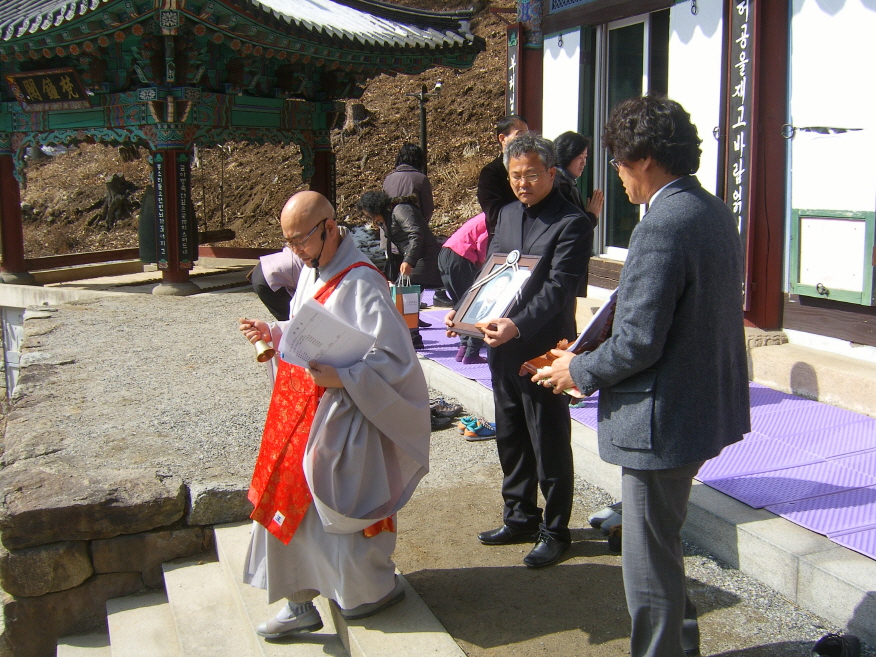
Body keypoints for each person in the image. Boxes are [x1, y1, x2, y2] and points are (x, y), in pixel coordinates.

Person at [535, 96, 750, 657]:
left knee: (648, 565)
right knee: (662, 545)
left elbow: (638, 341)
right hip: (697, 404)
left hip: (662, 419)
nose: (618, 175)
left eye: (620, 162)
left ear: (646, 158)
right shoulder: (710, 209)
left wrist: (577, 369)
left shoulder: (661, 224)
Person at [239, 191, 431, 640]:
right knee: (291, 501)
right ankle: (298, 601)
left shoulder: (363, 282)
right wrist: (275, 332)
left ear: (329, 228)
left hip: (348, 414)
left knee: (340, 504)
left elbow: (396, 361)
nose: (295, 252)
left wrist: (344, 377)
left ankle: (366, 593)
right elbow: (310, 328)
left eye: (300, 240)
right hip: (301, 408)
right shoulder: (312, 268)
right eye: (288, 242)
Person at [446, 132, 593, 568]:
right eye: (515, 176)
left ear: (551, 172)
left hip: (545, 350)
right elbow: (490, 273)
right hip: (501, 344)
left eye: (531, 175)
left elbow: (558, 288)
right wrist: (464, 310)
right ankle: (520, 516)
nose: (522, 183)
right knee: (510, 434)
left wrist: (518, 325)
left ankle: (556, 529)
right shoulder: (507, 214)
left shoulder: (572, 222)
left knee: (548, 440)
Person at [356, 190, 441, 350]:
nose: (373, 219)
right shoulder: (387, 216)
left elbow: (416, 234)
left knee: (405, 294)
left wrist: (409, 260)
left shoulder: (401, 210)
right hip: (415, 257)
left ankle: (412, 338)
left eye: (371, 215)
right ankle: (411, 337)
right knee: (404, 295)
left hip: (426, 257)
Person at [553, 130, 604, 297]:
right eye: (579, 157)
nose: (584, 163)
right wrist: (592, 216)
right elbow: (571, 229)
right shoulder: (558, 186)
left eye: (586, 157)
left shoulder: (568, 183)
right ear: (567, 155)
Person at [438, 212, 489, 363]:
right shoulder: (494, 217)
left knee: (461, 304)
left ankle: (463, 348)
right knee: (476, 303)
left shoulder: (484, 215)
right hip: (462, 256)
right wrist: (483, 263)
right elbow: (483, 242)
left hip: (445, 253)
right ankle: (471, 352)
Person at [477, 115, 528, 239]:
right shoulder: (491, 172)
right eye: (520, 135)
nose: (525, 140)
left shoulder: (530, 168)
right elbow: (494, 213)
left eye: (527, 135)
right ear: (502, 138)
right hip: (504, 239)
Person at [249, 247, 305, 321]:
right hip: (268, 278)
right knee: (294, 317)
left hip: (265, 266)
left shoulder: (304, 251)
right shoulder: (312, 260)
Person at [383, 143, 434, 222]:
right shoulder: (421, 179)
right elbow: (427, 210)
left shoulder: (388, 179)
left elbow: (383, 208)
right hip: (412, 226)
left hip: (391, 226)